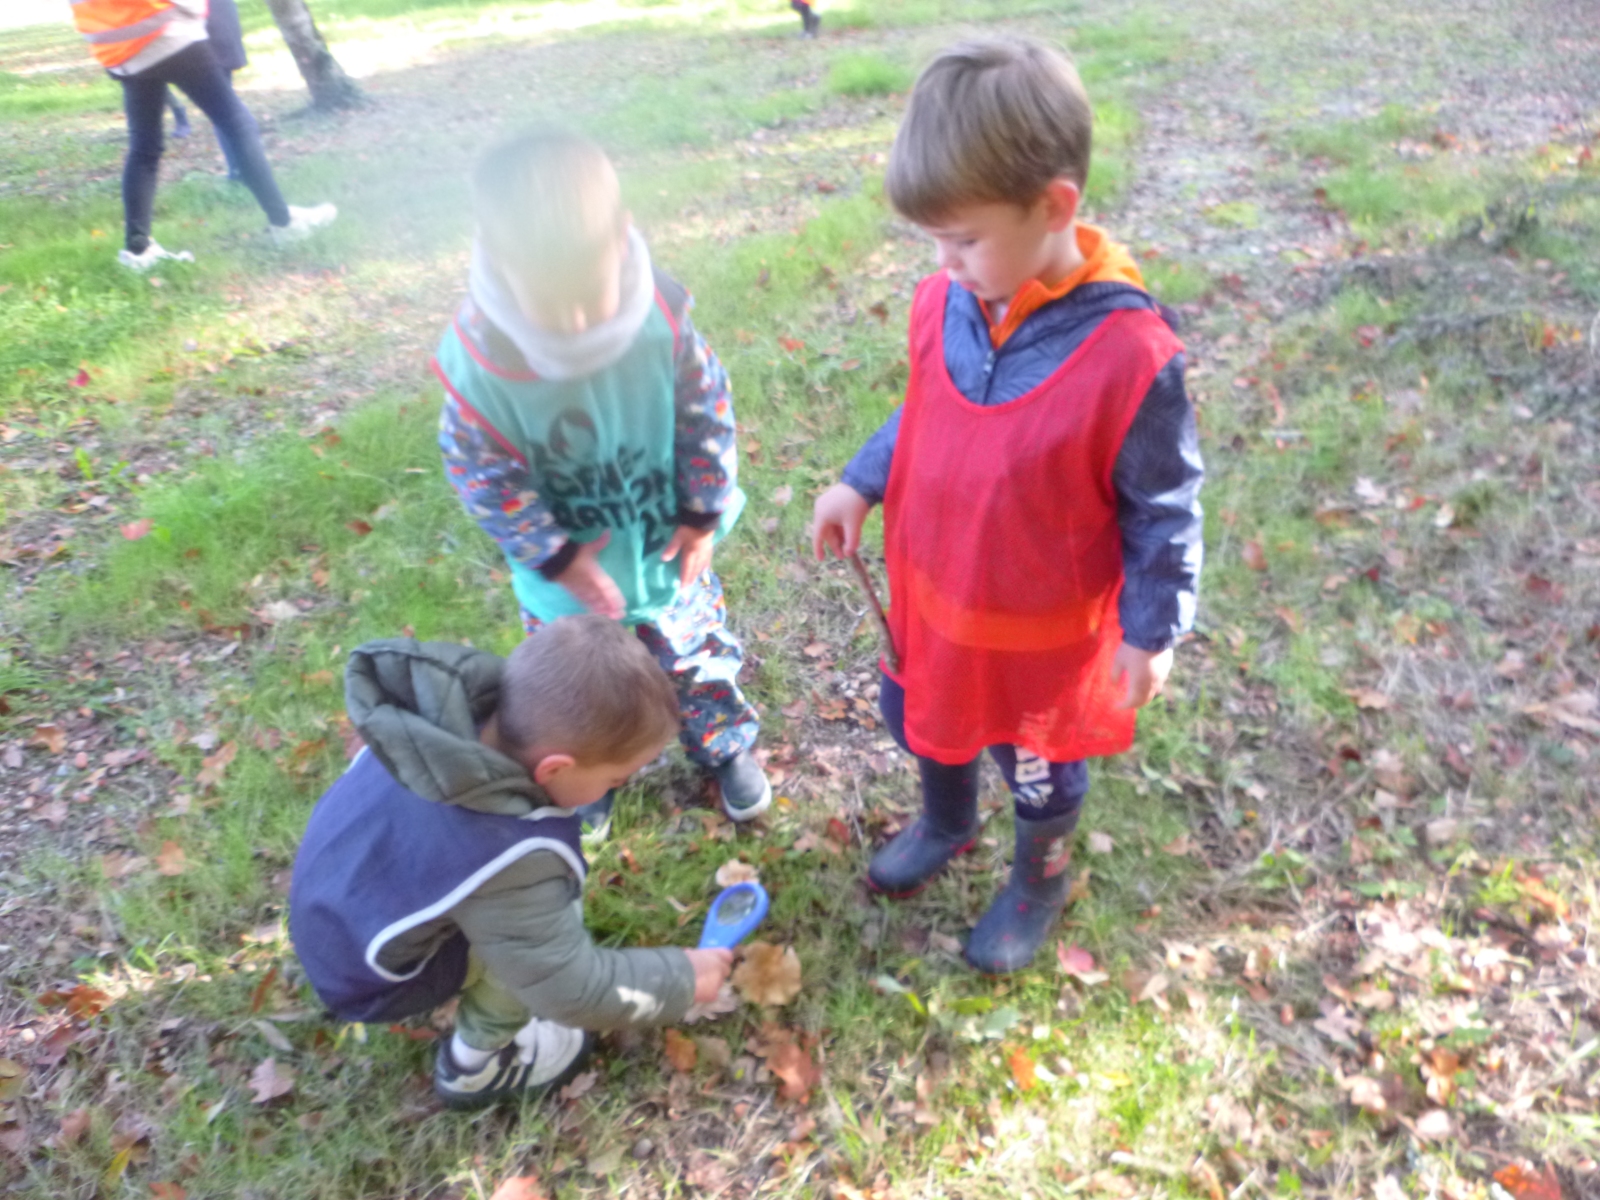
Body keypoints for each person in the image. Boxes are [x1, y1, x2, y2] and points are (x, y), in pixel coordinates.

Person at [812, 38, 1205, 974]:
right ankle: (945, 821)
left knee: (1036, 769)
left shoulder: (1131, 356)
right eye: (933, 241)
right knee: (925, 717)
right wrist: (861, 480)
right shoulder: (948, 302)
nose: (943, 263)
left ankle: (1039, 877)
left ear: (1055, 206)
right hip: (936, 595)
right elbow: (928, 406)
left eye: (964, 239)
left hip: (1037, 632)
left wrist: (1153, 630)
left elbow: (1165, 506)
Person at [436, 128, 771, 831]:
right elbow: (480, 473)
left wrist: (702, 514)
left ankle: (723, 746)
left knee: (695, 660)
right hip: (565, 587)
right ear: (499, 262)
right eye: (549, 304)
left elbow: (706, 414)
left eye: (589, 295)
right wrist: (557, 556)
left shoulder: (661, 321)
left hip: (664, 554)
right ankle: (593, 775)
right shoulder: (481, 362)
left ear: (621, 240)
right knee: (582, 694)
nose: (577, 322)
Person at [289, 617, 736, 1108]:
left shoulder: (425, 730)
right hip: (369, 980)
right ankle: (476, 1065)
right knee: (527, 952)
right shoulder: (508, 855)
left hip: (329, 911)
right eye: (615, 780)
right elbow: (569, 987)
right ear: (555, 768)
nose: (618, 788)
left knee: (518, 922)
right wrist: (681, 977)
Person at [68, 0, 335, 270]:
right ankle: (284, 222)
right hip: (168, 33)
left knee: (144, 146)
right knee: (237, 124)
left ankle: (138, 250)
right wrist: (193, 11)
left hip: (120, 49)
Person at [163, 0, 254, 180]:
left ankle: (240, 170)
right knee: (225, 107)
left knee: (225, 109)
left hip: (204, 27)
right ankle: (240, 169)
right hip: (204, 26)